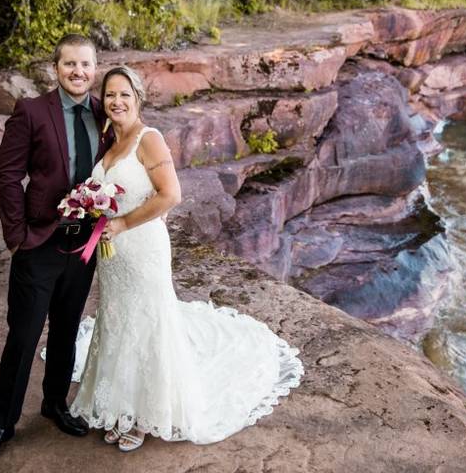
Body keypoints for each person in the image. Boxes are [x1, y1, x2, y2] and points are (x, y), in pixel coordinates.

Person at [68, 66, 303, 452]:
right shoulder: (109, 144)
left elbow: (170, 195)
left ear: (138, 98)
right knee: (115, 318)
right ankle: (115, 404)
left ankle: (142, 415)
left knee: (146, 321)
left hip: (141, 247)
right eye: (110, 95)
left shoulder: (150, 139)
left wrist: (124, 223)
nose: (116, 101)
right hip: (112, 254)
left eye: (124, 94)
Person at [0, 35, 111, 469]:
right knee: (25, 336)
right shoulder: (31, 112)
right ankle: (1, 425)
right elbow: (8, 176)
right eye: (70, 64)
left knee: (67, 328)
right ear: (57, 68)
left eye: (85, 64)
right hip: (40, 242)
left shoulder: (106, 114)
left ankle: (54, 404)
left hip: (84, 243)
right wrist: (17, 236)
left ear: (94, 68)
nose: (78, 72)